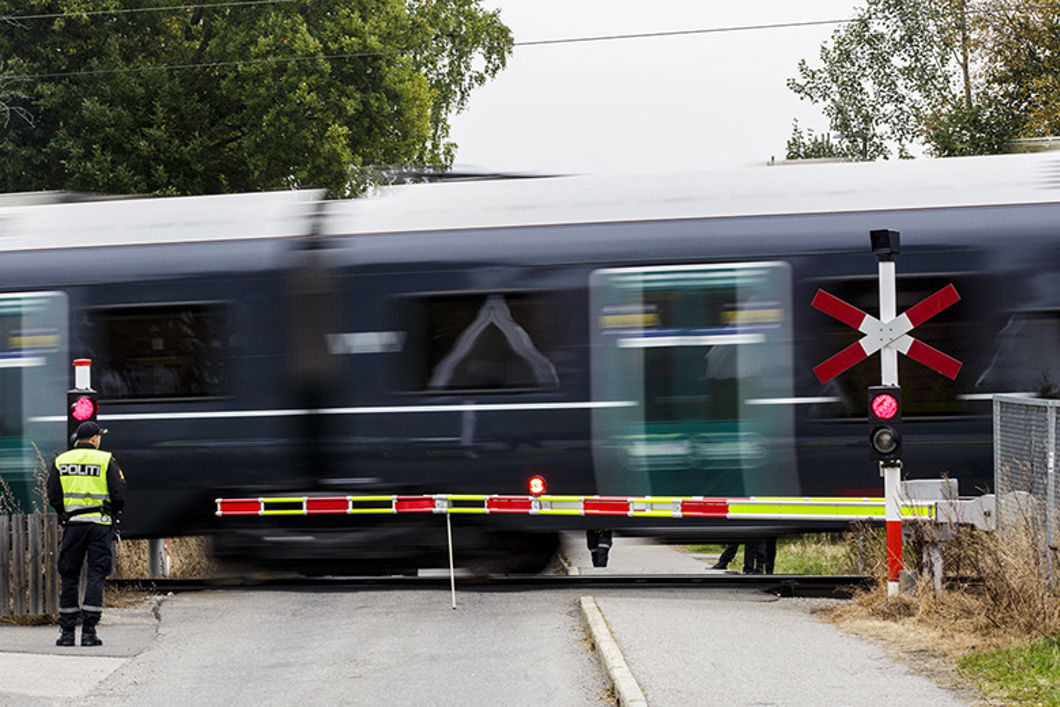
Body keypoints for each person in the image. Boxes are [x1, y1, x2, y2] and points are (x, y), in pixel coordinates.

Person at [47, 421, 127, 647]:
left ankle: (67, 633)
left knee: (69, 575)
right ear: (94, 439)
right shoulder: (105, 460)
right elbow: (119, 493)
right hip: (99, 526)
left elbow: (53, 493)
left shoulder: (61, 461)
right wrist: (113, 513)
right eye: (99, 436)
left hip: (73, 526)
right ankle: (89, 632)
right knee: (96, 574)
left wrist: (65, 514)